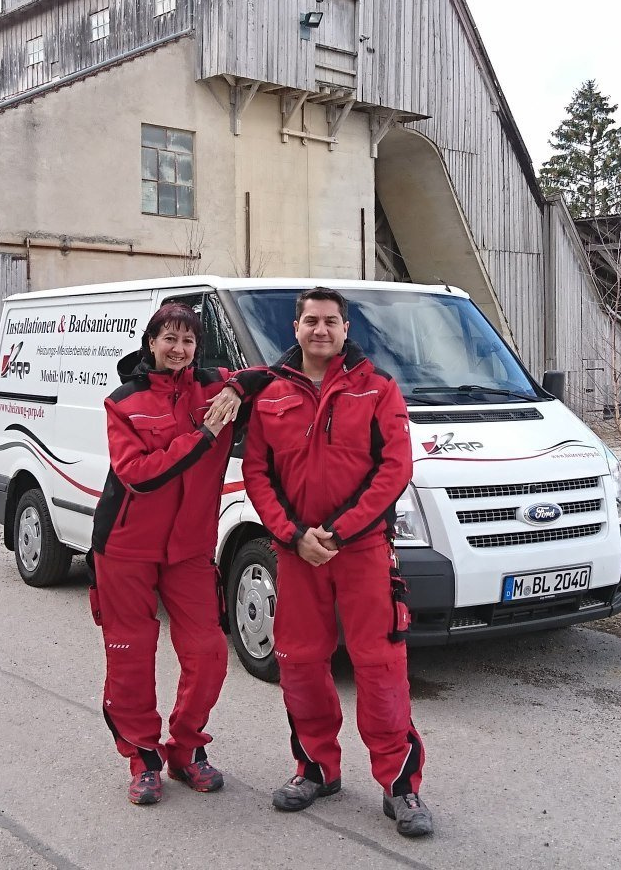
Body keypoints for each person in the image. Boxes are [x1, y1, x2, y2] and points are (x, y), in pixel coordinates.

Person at [241, 286, 432, 838]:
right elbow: (257, 472)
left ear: (346, 329)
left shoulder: (377, 389)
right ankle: (316, 769)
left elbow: (394, 469)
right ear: (295, 329)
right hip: (296, 555)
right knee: (299, 663)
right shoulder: (272, 394)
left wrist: (340, 532)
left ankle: (401, 787)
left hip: (363, 552)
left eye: (330, 321)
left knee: (379, 665)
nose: (320, 330)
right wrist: (293, 535)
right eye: (310, 322)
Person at [89, 302, 268, 806]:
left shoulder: (214, 386)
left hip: (189, 548)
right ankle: (142, 757)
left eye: (188, 341)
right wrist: (204, 435)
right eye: (169, 338)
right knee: (130, 654)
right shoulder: (123, 402)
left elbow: (270, 374)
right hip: (125, 545)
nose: (178, 349)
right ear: (150, 343)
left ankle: (186, 747)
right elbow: (139, 474)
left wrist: (236, 387)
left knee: (209, 651)